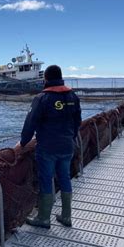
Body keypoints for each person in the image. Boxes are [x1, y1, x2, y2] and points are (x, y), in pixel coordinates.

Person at [15, 65, 81, 229]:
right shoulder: (73, 96)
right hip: (67, 146)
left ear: (46, 79)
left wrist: (23, 143)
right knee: (65, 177)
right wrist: (70, 138)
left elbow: (31, 123)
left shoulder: (42, 98)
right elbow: (77, 122)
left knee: (46, 180)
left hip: (47, 147)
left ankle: (44, 218)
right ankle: (66, 216)